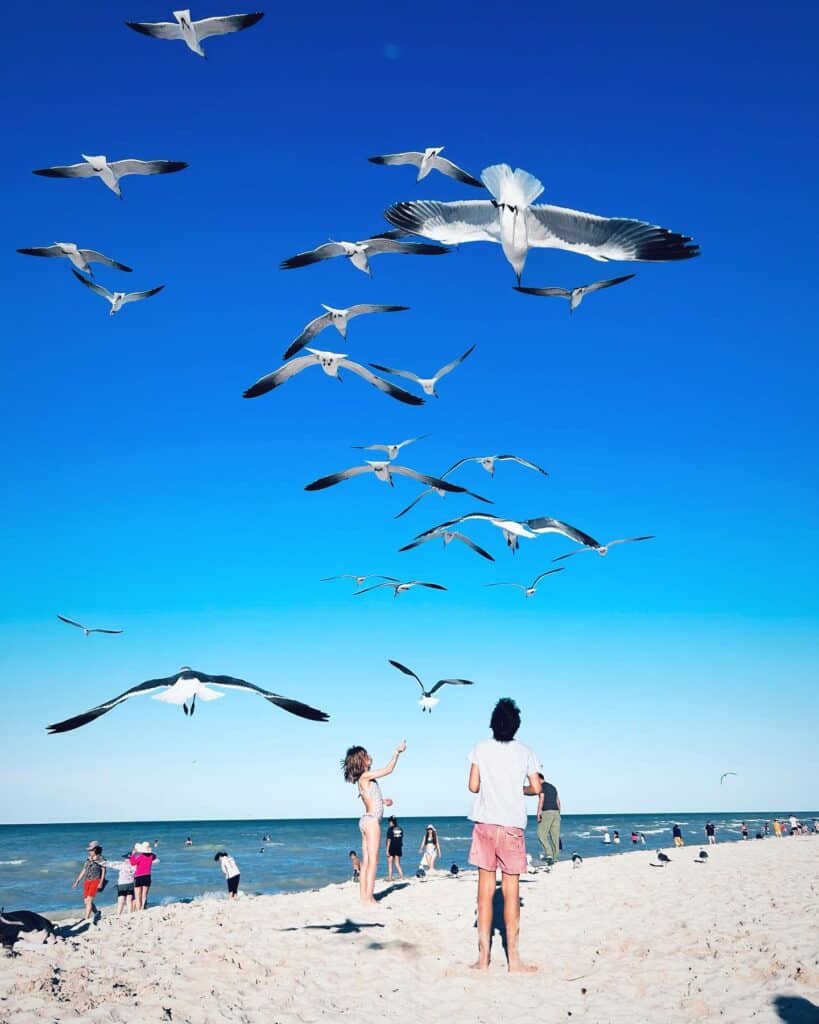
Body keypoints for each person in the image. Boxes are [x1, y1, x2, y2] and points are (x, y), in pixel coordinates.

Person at [468, 697, 541, 973]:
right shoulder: (526, 752)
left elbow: (473, 786)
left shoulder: (479, 748)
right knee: (511, 892)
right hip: (511, 827)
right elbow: (536, 787)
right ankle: (514, 961)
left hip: (485, 824)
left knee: (484, 893)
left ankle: (483, 960)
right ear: (516, 726)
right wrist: (518, 790)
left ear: (493, 723)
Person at [342, 741, 405, 904]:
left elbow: (370, 799)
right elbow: (388, 770)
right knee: (373, 861)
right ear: (360, 762)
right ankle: (369, 898)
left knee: (366, 861)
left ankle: (364, 896)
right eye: (365, 755)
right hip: (371, 822)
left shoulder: (362, 781)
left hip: (365, 820)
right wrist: (397, 752)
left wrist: (383, 801)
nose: (369, 756)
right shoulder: (365, 776)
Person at [72, 841, 106, 923]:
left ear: (95, 850)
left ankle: (86, 918)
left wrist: (101, 882)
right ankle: (97, 912)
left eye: (91, 850)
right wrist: (77, 881)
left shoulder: (101, 858)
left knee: (89, 900)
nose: (89, 851)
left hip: (95, 880)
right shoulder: (88, 859)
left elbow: (104, 870)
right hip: (87, 881)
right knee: (86, 901)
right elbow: (84, 870)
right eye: (89, 850)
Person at [535, 775, 561, 865]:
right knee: (555, 836)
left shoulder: (541, 786)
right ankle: (556, 858)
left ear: (538, 778)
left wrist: (538, 813)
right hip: (556, 812)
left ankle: (549, 854)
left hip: (547, 812)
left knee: (541, 833)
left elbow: (541, 799)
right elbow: (558, 801)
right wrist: (558, 813)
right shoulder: (553, 787)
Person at [129, 842, 159, 911]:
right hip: (147, 876)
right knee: (144, 895)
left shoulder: (141, 856)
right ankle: (142, 907)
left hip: (138, 876)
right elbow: (155, 856)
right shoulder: (152, 856)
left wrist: (133, 855)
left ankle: (139, 909)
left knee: (137, 895)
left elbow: (132, 863)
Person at [106, 850, 137, 915]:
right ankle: (129, 914)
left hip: (122, 885)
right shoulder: (135, 866)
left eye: (126, 858)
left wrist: (100, 861)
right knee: (129, 900)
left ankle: (118, 914)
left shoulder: (122, 865)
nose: (125, 860)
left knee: (121, 900)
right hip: (130, 884)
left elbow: (111, 864)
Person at [385, 816, 404, 881]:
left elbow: (389, 840)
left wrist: (387, 850)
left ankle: (390, 878)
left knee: (390, 863)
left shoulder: (390, 829)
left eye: (389, 822)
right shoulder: (400, 829)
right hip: (398, 847)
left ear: (391, 822)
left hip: (391, 847)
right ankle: (402, 877)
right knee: (397, 864)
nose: (389, 823)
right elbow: (400, 839)